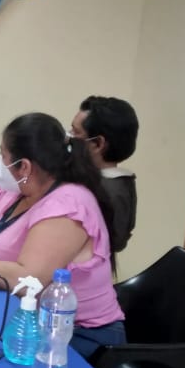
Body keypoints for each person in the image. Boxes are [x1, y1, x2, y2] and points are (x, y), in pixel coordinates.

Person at [0, 112, 125, 358]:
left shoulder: (68, 205)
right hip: (17, 312)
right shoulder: (13, 190)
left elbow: (28, 278)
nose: (0, 162)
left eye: (3, 155)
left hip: (74, 335)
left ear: (24, 166)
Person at [70, 96, 139, 252]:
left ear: (98, 144)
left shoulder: (109, 190)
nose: (69, 137)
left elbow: (113, 242)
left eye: (76, 132)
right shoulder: (117, 183)